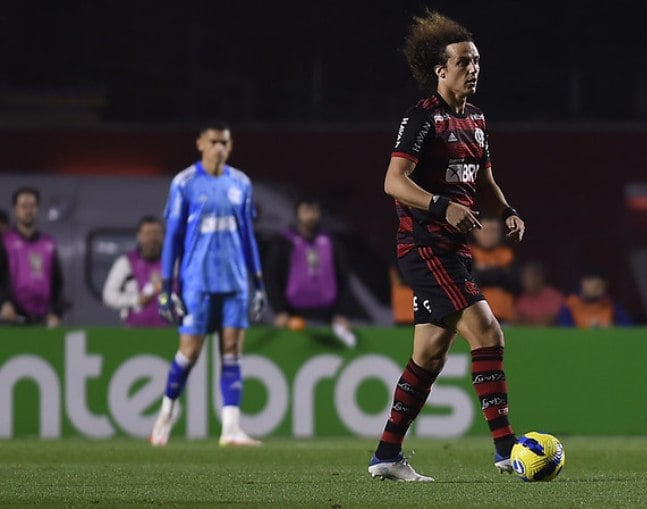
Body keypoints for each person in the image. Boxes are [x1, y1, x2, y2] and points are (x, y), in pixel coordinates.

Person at [367, 11, 526, 482]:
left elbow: (485, 181)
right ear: (440, 69)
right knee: (489, 333)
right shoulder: (421, 119)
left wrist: (507, 210)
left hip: (453, 248)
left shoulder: (476, 119)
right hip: (424, 245)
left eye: (476, 61)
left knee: (429, 356)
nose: (473, 68)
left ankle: (386, 455)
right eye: (463, 62)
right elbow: (393, 182)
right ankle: (506, 450)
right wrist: (441, 207)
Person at [150, 123, 266, 447]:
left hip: (235, 281)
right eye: (214, 141)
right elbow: (172, 237)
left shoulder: (240, 182)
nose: (219, 147)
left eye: (225, 142)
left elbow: (247, 236)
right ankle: (166, 413)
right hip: (196, 282)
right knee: (189, 352)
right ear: (200, 143)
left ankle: (230, 429)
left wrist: (258, 283)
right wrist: (166, 287)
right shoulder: (184, 183)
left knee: (232, 351)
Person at [265, 195, 357, 347]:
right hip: (293, 317)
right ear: (297, 214)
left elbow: (344, 278)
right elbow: (271, 278)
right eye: (306, 211)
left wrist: (342, 313)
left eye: (314, 211)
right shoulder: (282, 242)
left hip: (328, 317)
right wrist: (280, 310)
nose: (311, 216)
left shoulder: (331, 241)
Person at [0, 187, 64, 327]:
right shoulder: (5, 241)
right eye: (23, 206)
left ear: (37, 209)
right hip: (12, 319)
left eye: (32, 206)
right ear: (15, 210)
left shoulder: (49, 244)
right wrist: (3, 303)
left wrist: (56, 312)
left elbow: (57, 283)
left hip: (42, 320)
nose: (28, 211)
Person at [101, 216, 168, 326]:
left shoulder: (174, 262)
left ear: (163, 236)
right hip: (134, 329)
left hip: (168, 329)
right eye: (147, 234)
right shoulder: (125, 262)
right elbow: (108, 295)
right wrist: (135, 300)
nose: (152, 238)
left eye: (156, 233)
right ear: (139, 236)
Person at [470, 218, 519, 322]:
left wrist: (483, 273)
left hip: (504, 318)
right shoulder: (468, 252)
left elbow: (515, 282)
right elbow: (471, 281)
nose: (490, 236)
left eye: (494, 231)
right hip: (476, 317)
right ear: (475, 232)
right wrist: (500, 272)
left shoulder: (507, 254)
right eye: (486, 231)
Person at [557, 269, 633, 328]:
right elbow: (565, 335)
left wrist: (612, 329)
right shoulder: (569, 306)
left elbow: (630, 330)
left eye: (603, 287)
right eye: (597, 286)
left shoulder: (611, 305)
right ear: (584, 283)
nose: (601, 291)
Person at [514, 260, 564, 326]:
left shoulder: (553, 296)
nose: (524, 281)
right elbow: (516, 322)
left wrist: (527, 321)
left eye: (528, 277)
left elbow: (546, 323)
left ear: (539, 278)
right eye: (524, 277)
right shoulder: (522, 299)